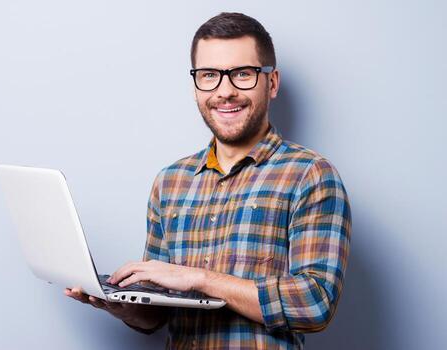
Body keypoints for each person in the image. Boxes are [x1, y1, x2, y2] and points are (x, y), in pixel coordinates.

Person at [66, 12, 351, 349]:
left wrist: (199, 278)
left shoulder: (311, 175)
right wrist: (120, 305)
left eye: (242, 74)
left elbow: (315, 305)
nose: (224, 91)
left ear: (271, 83)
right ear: (195, 85)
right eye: (209, 75)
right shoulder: (170, 182)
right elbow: (156, 316)